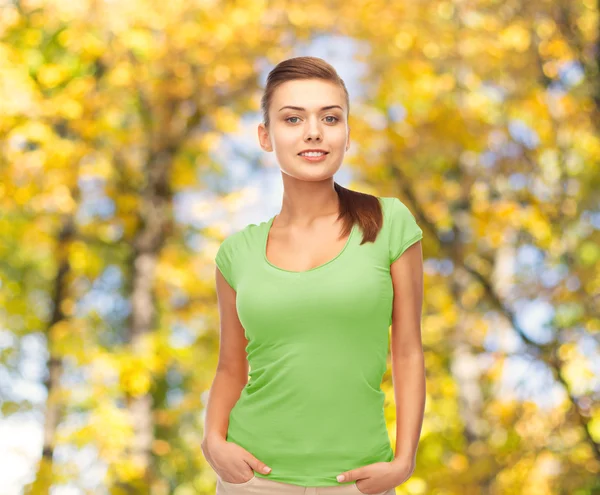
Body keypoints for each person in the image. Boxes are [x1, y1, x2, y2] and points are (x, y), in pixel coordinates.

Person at [201, 56, 426, 495]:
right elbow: (231, 366)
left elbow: (408, 352)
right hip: (252, 480)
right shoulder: (236, 253)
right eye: (292, 118)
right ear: (265, 136)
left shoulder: (389, 223)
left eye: (330, 117)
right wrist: (213, 441)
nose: (313, 131)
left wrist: (403, 461)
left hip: (359, 481)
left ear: (347, 133)